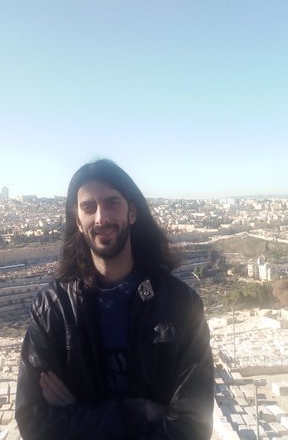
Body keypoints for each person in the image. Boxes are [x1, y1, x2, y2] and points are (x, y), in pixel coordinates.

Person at [15, 159, 214, 439]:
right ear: (78, 222)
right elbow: (35, 423)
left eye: (111, 203)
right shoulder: (52, 309)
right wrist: (142, 411)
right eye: (88, 207)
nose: (101, 218)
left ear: (132, 212)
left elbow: (193, 426)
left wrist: (78, 412)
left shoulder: (181, 305)